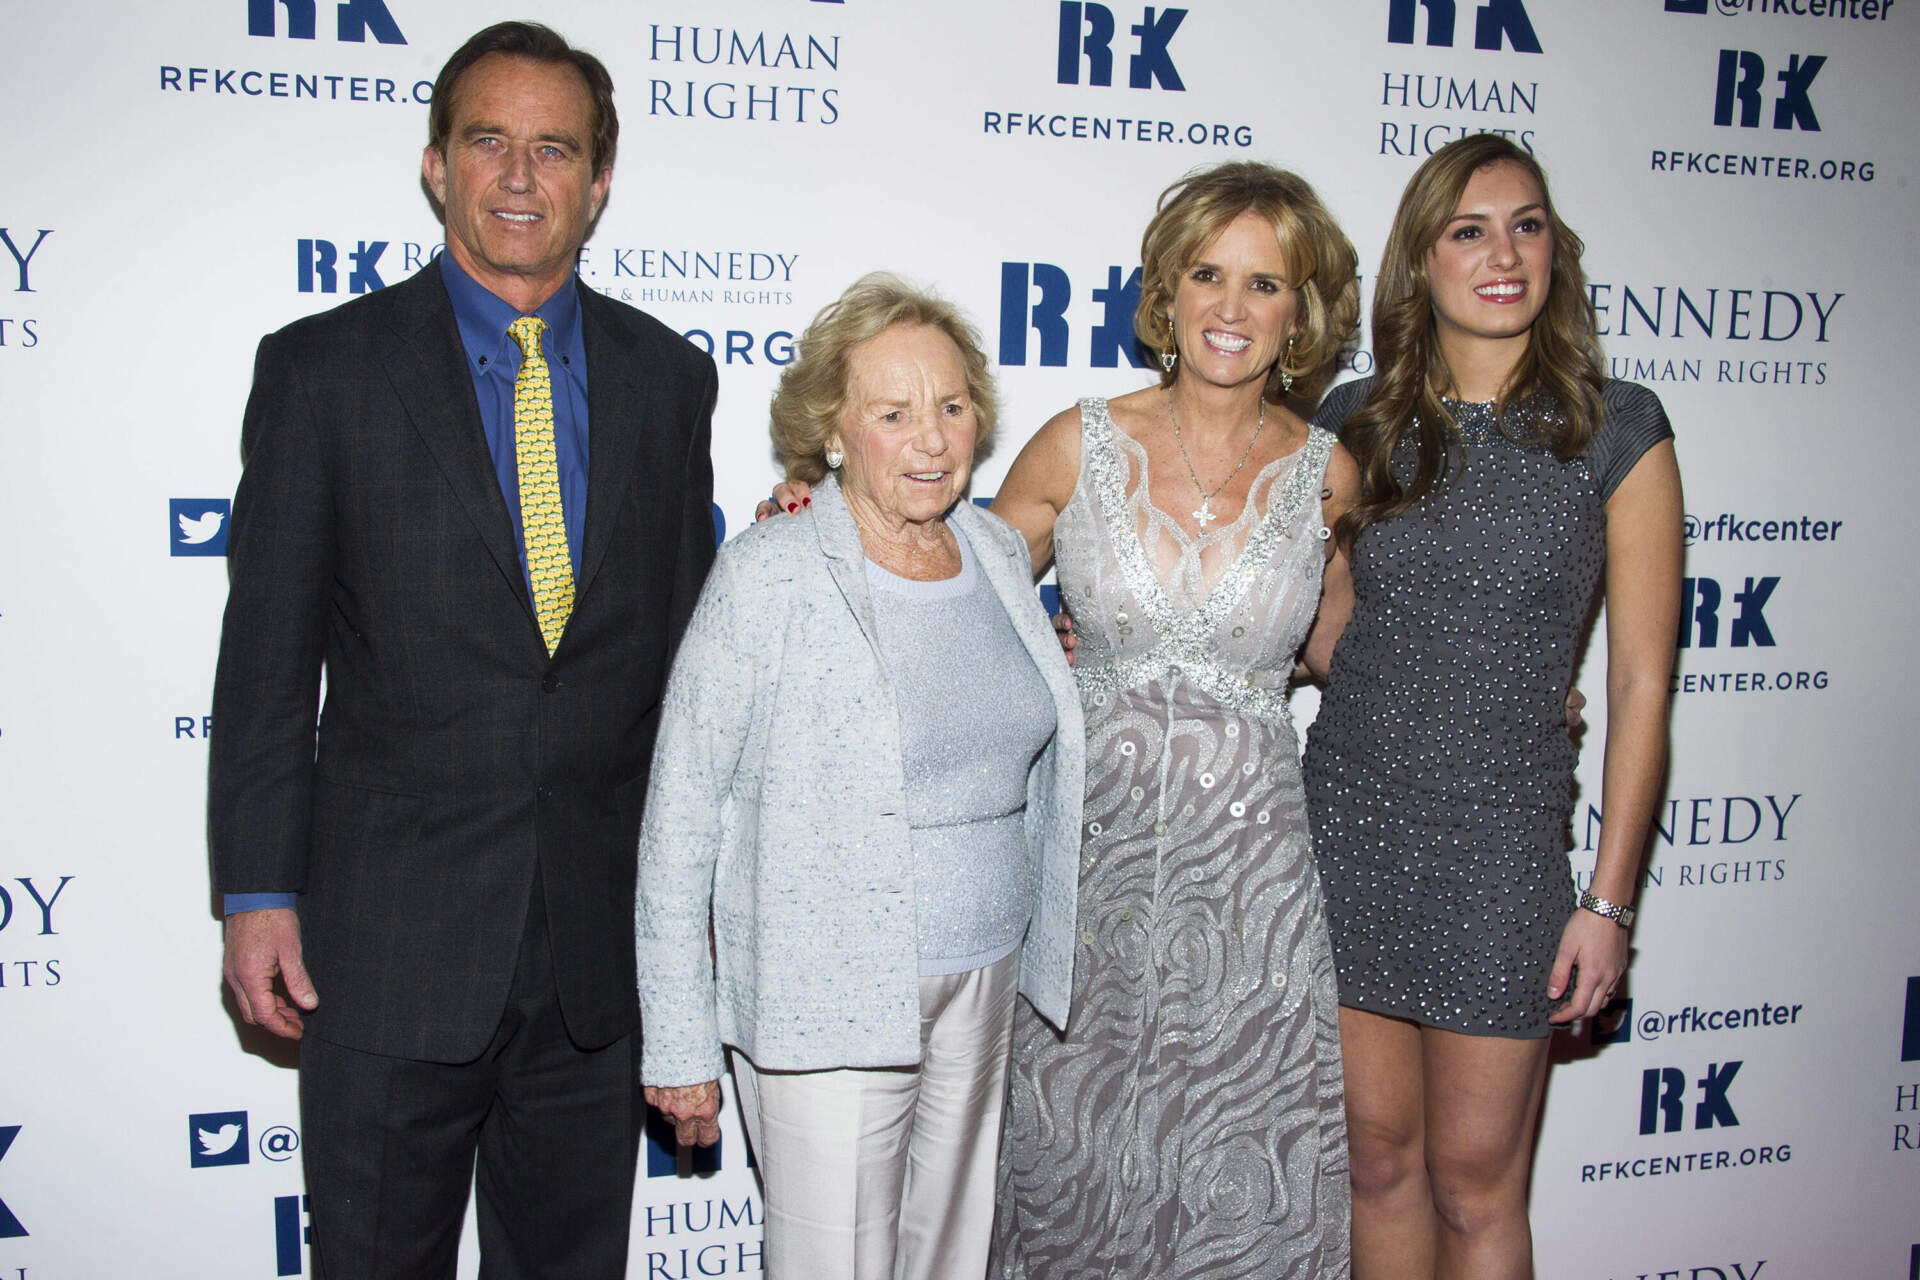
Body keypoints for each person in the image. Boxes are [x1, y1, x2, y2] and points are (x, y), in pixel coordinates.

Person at [763, 162, 1362, 1276]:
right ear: (1167, 293)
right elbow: (943, 576)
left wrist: (1499, 679)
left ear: (1300, 312)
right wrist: (820, 517)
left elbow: (1350, 650)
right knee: (1073, 1153)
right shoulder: (1080, 443)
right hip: (1089, 861)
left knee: (1234, 1151)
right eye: (1207, 274)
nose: (1232, 307)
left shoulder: (1329, 473)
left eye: (1265, 284)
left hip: (1258, 875)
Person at [207, 22, 718, 1277]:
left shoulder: (671, 379)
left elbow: (693, 670)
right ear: (436, 164)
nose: (521, 176)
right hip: (386, 948)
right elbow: (267, 660)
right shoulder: (324, 371)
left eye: (557, 148)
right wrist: (259, 891)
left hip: (598, 960)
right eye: (488, 140)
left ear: (600, 183)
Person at [637, 273, 1086, 1280]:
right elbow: (680, 816)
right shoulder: (770, 569)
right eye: (893, 413)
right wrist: (678, 1039)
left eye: (952, 406)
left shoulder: (998, 552)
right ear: (834, 433)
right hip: (824, 988)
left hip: (987, 973)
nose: (931, 438)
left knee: (951, 1258)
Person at [1300, 134, 1683, 1280]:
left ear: (1554, 252)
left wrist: (1608, 903)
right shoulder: (1354, 418)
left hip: (1500, 851)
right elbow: (1315, 626)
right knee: (1375, 1162)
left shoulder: (1618, 426)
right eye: (1469, 230)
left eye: (1526, 225)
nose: (1503, 253)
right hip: (1349, 830)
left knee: (1476, 1184)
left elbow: (1640, 683)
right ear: (1422, 261)